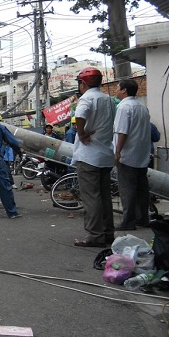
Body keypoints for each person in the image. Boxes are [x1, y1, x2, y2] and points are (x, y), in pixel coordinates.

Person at [72, 67, 116, 247]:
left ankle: (95, 235)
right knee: (105, 196)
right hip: (105, 155)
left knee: (91, 197)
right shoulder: (109, 100)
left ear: (83, 84)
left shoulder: (87, 98)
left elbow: (79, 115)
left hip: (89, 155)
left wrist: (81, 133)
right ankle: (107, 233)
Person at [113, 79, 152, 230]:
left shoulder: (124, 107)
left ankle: (128, 221)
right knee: (141, 189)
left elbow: (122, 131)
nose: (116, 90)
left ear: (124, 90)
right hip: (141, 154)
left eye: (117, 87)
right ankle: (142, 218)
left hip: (128, 155)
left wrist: (117, 151)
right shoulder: (142, 108)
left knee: (127, 190)